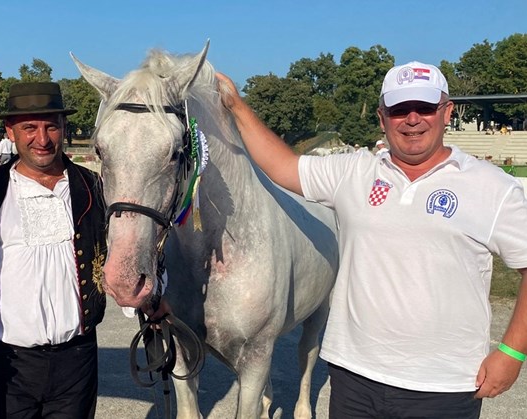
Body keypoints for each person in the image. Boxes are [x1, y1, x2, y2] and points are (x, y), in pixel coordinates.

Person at [216, 61, 527, 418]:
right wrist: (237, 106)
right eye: (399, 110)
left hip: (443, 385)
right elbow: (282, 165)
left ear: (447, 112)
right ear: (382, 118)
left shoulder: (492, 187)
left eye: (425, 107)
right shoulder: (354, 171)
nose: (412, 119)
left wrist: (512, 353)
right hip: (354, 378)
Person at [0, 82, 108, 419]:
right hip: (7, 363)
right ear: (10, 131)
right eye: (29, 127)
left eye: (51, 126)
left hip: (76, 361)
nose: (42, 139)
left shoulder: (93, 187)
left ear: (63, 127)